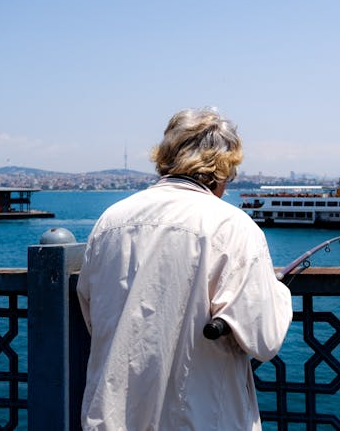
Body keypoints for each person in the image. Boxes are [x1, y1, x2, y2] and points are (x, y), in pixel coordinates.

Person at [77, 107, 293, 430]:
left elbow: (94, 315)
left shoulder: (109, 222)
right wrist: (278, 292)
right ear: (221, 171)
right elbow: (263, 339)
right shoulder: (234, 227)